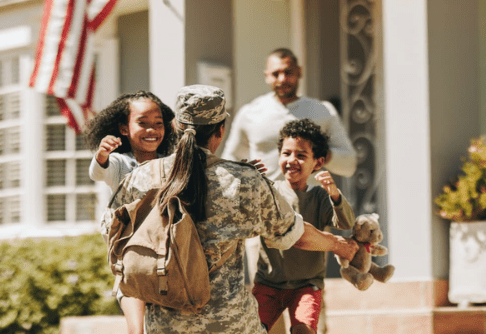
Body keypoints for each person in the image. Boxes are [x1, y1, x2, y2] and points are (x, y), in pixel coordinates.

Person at [103, 84, 358, 333]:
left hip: (164, 326)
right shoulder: (243, 181)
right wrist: (340, 245)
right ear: (220, 130)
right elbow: (294, 234)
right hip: (231, 325)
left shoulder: (141, 177)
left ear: (175, 126)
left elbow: (112, 235)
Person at [85, 90, 176, 334]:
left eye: (158, 124)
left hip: (167, 254)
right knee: (136, 319)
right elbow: (98, 171)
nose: (151, 130)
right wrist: (102, 153)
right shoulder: (121, 163)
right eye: (142, 123)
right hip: (131, 253)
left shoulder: (171, 162)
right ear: (124, 129)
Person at [253, 119, 355, 334]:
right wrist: (248, 178)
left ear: (318, 163)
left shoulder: (319, 196)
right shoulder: (269, 191)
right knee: (253, 329)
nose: (292, 160)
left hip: (307, 285)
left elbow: (346, 223)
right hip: (269, 284)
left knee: (304, 330)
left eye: (301, 155)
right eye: (286, 153)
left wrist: (334, 194)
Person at [222, 48, 356, 181]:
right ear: (266, 76)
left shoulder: (323, 110)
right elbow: (230, 161)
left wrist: (319, 151)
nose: (282, 79)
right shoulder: (249, 113)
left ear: (299, 72)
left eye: (288, 72)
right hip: (263, 194)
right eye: (275, 74)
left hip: (308, 195)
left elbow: (349, 165)